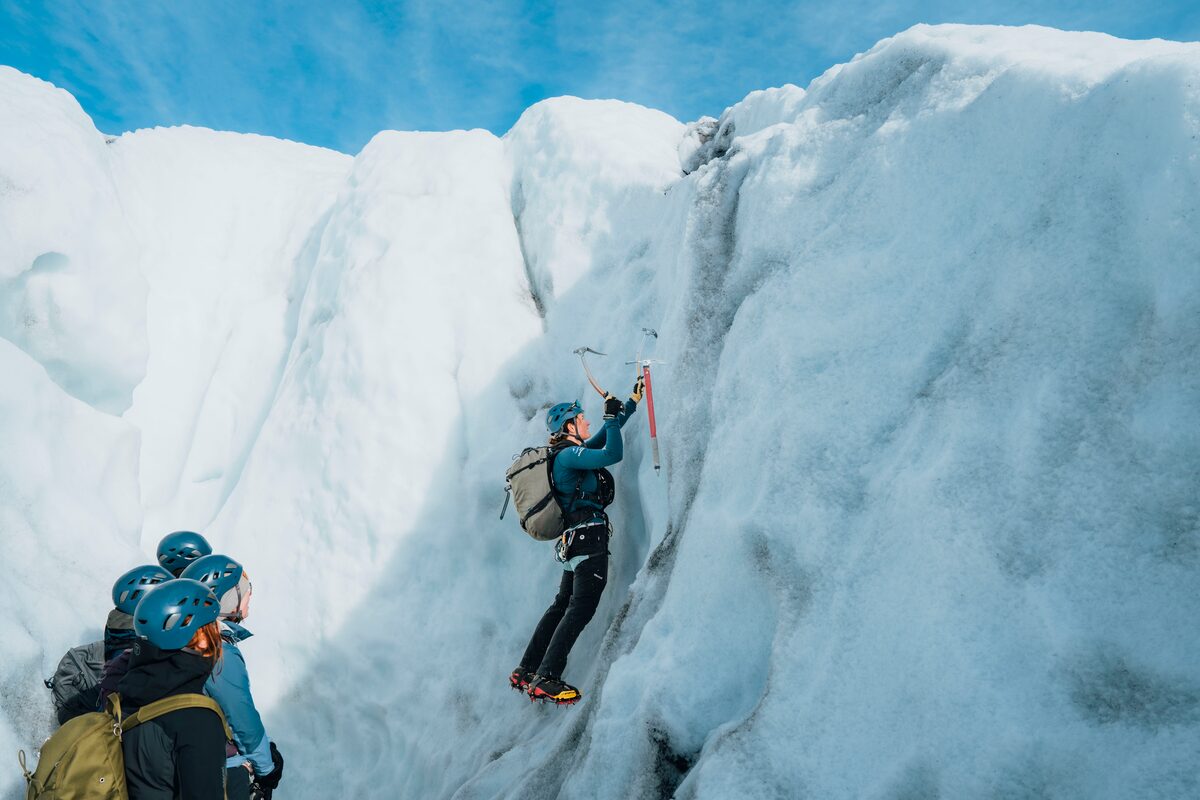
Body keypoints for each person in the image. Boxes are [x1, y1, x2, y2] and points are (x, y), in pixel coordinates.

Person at [514, 379, 642, 704]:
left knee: (562, 606)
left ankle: (528, 670)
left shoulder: (566, 454)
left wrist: (629, 403)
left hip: (574, 543)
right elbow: (612, 451)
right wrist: (611, 419)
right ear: (569, 425)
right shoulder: (569, 455)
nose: (587, 421)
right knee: (581, 606)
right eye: (581, 417)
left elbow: (601, 438)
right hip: (588, 540)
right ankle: (548, 677)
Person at [182, 554, 285, 800]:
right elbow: (240, 716)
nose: (251, 596)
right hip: (211, 770)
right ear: (228, 599)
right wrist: (266, 769)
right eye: (247, 589)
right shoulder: (217, 652)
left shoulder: (187, 639)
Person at [118, 578, 228, 800]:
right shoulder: (198, 718)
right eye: (213, 626)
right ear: (201, 641)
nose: (220, 634)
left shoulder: (131, 688)